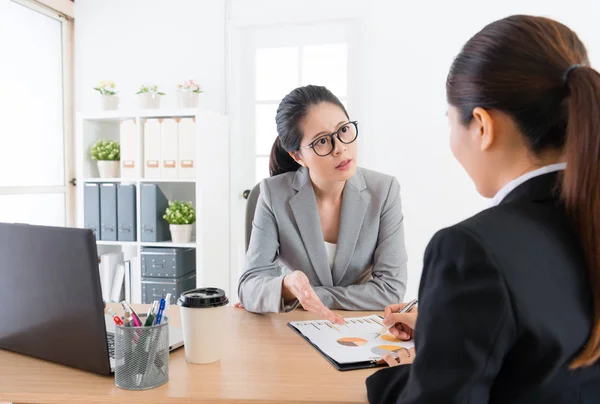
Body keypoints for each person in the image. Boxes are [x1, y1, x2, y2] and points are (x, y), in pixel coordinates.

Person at [366, 15, 600, 403]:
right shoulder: (583, 222)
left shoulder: (471, 249)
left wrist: (401, 380)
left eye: (449, 120)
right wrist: (444, 329)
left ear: (481, 126)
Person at [238, 85, 408, 323]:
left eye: (344, 130)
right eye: (321, 142)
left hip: (361, 328)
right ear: (298, 156)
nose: (340, 147)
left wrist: (302, 295)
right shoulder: (273, 194)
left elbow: (390, 290)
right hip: (295, 328)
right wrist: (287, 285)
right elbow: (249, 287)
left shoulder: (384, 190)